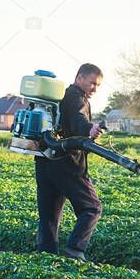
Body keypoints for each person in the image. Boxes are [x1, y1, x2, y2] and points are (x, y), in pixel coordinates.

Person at [34, 63, 105, 260]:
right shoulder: (76, 98)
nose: (94, 89)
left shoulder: (58, 97)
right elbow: (79, 119)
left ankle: (46, 257)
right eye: (92, 83)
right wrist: (89, 129)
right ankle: (75, 250)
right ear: (80, 78)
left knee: (49, 214)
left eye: (98, 85)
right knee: (92, 207)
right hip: (67, 163)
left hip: (45, 160)